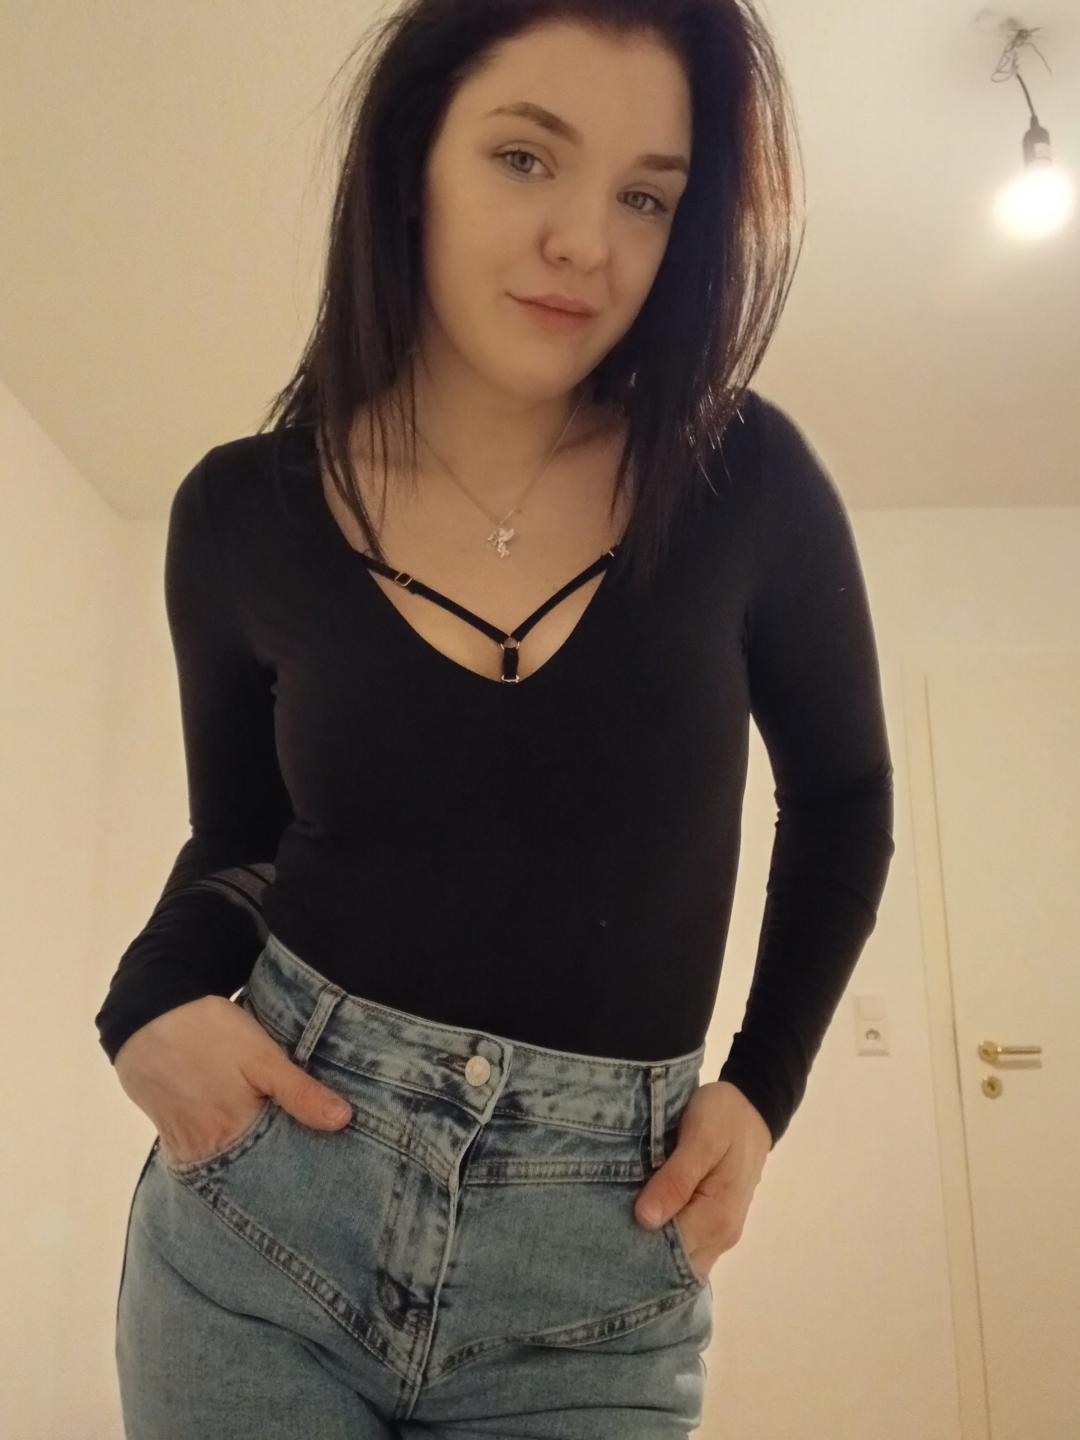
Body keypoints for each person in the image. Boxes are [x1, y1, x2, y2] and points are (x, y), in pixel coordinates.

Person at [98, 2, 895, 1436]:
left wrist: (763, 1086)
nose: (586, 243)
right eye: (527, 158)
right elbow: (242, 840)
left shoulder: (745, 480)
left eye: (646, 196)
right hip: (271, 1215)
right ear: (413, 159)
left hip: (597, 1264)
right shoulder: (238, 514)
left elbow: (843, 801)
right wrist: (145, 1000)